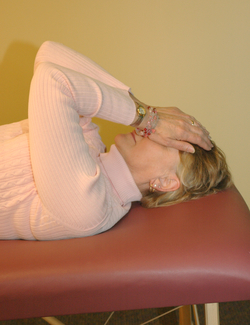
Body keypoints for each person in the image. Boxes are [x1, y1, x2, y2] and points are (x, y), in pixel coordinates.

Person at [0, 41, 231, 240]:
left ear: (165, 182)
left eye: (167, 139)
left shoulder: (91, 205)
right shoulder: (90, 142)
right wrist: (144, 109)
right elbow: (48, 53)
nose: (148, 131)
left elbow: (52, 79)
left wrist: (148, 117)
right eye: (163, 129)